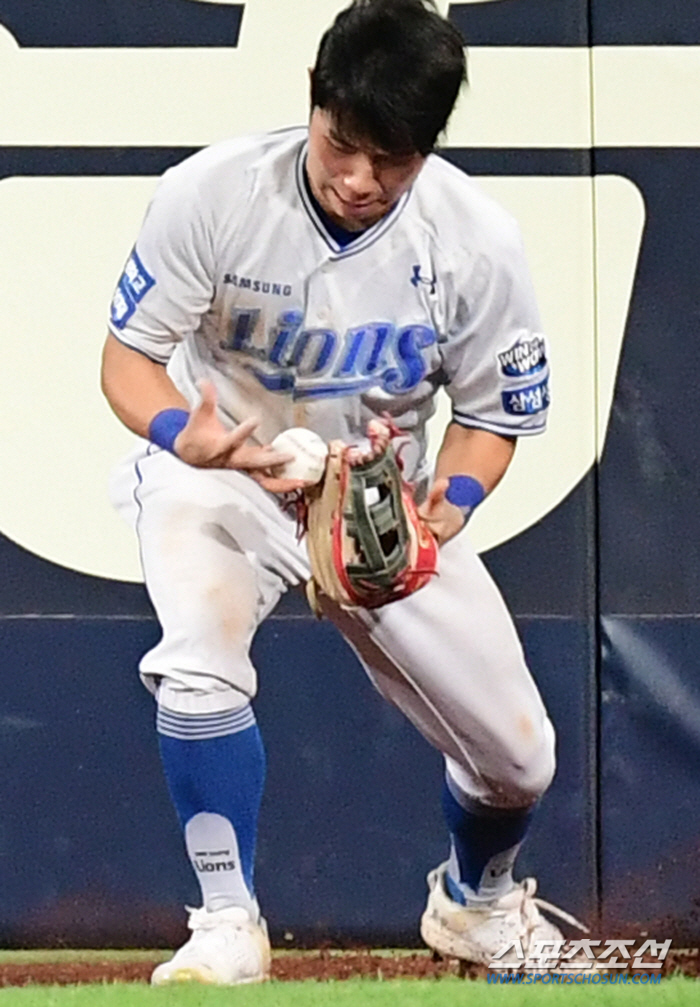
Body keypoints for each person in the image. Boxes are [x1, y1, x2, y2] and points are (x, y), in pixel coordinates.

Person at [101, 0, 563, 986]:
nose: (358, 179)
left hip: (378, 504)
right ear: (313, 103)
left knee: (520, 759)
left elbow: (493, 414)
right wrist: (190, 434)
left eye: (389, 160)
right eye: (341, 144)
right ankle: (227, 917)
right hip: (226, 471)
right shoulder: (215, 192)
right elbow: (129, 362)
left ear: (427, 147)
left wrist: (458, 497)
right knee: (194, 664)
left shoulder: (475, 240)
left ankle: (475, 903)